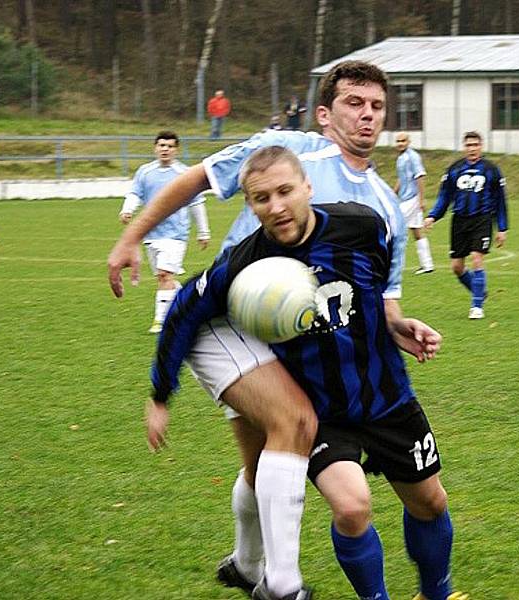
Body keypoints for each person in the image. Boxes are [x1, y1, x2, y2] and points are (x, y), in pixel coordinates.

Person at [108, 61, 411, 600]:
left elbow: (378, 298)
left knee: (263, 461)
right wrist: (133, 237)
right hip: (222, 319)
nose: (366, 116)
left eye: (375, 106)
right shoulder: (282, 150)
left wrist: (399, 326)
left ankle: (248, 565)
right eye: (353, 103)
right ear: (325, 113)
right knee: (293, 424)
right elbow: (196, 178)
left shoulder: (384, 205)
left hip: (292, 338)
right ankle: (281, 585)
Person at [152, 146, 467, 600]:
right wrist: (161, 394)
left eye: (285, 191)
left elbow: (373, 291)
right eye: (262, 198)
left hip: (387, 396)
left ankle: (437, 593)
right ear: (249, 204)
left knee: (430, 502)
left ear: (307, 188)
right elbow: (183, 309)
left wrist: (396, 323)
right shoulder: (247, 265)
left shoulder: (362, 225)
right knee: (352, 507)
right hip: (323, 413)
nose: (276, 206)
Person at [119, 131, 210, 334]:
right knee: (164, 279)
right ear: (155, 148)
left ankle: (161, 321)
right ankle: (189, 299)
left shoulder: (185, 174)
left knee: (164, 275)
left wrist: (203, 232)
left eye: (169, 146)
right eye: (162, 145)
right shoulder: (145, 172)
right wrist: (127, 210)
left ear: (176, 150)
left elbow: (197, 203)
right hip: (152, 235)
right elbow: (135, 193)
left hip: (176, 235)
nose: (165, 149)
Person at [424, 132, 508, 320]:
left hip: (482, 219)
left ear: (481, 146)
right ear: (464, 147)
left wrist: (502, 228)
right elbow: (444, 197)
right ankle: (480, 291)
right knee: (457, 267)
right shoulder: (454, 169)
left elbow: (500, 201)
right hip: (460, 220)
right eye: (468, 145)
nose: (472, 149)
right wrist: (432, 216)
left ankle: (476, 306)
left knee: (477, 259)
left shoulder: (491, 170)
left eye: (475, 145)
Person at [394, 132, 434, 275]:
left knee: (395, 228)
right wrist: (393, 194)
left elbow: (420, 177)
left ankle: (395, 264)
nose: (400, 143)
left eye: (403, 141)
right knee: (416, 231)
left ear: (409, 141)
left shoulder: (413, 157)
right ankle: (427, 265)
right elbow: (401, 178)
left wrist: (421, 199)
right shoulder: (400, 158)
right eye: (398, 141)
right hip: (404, 198)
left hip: (412, 199)